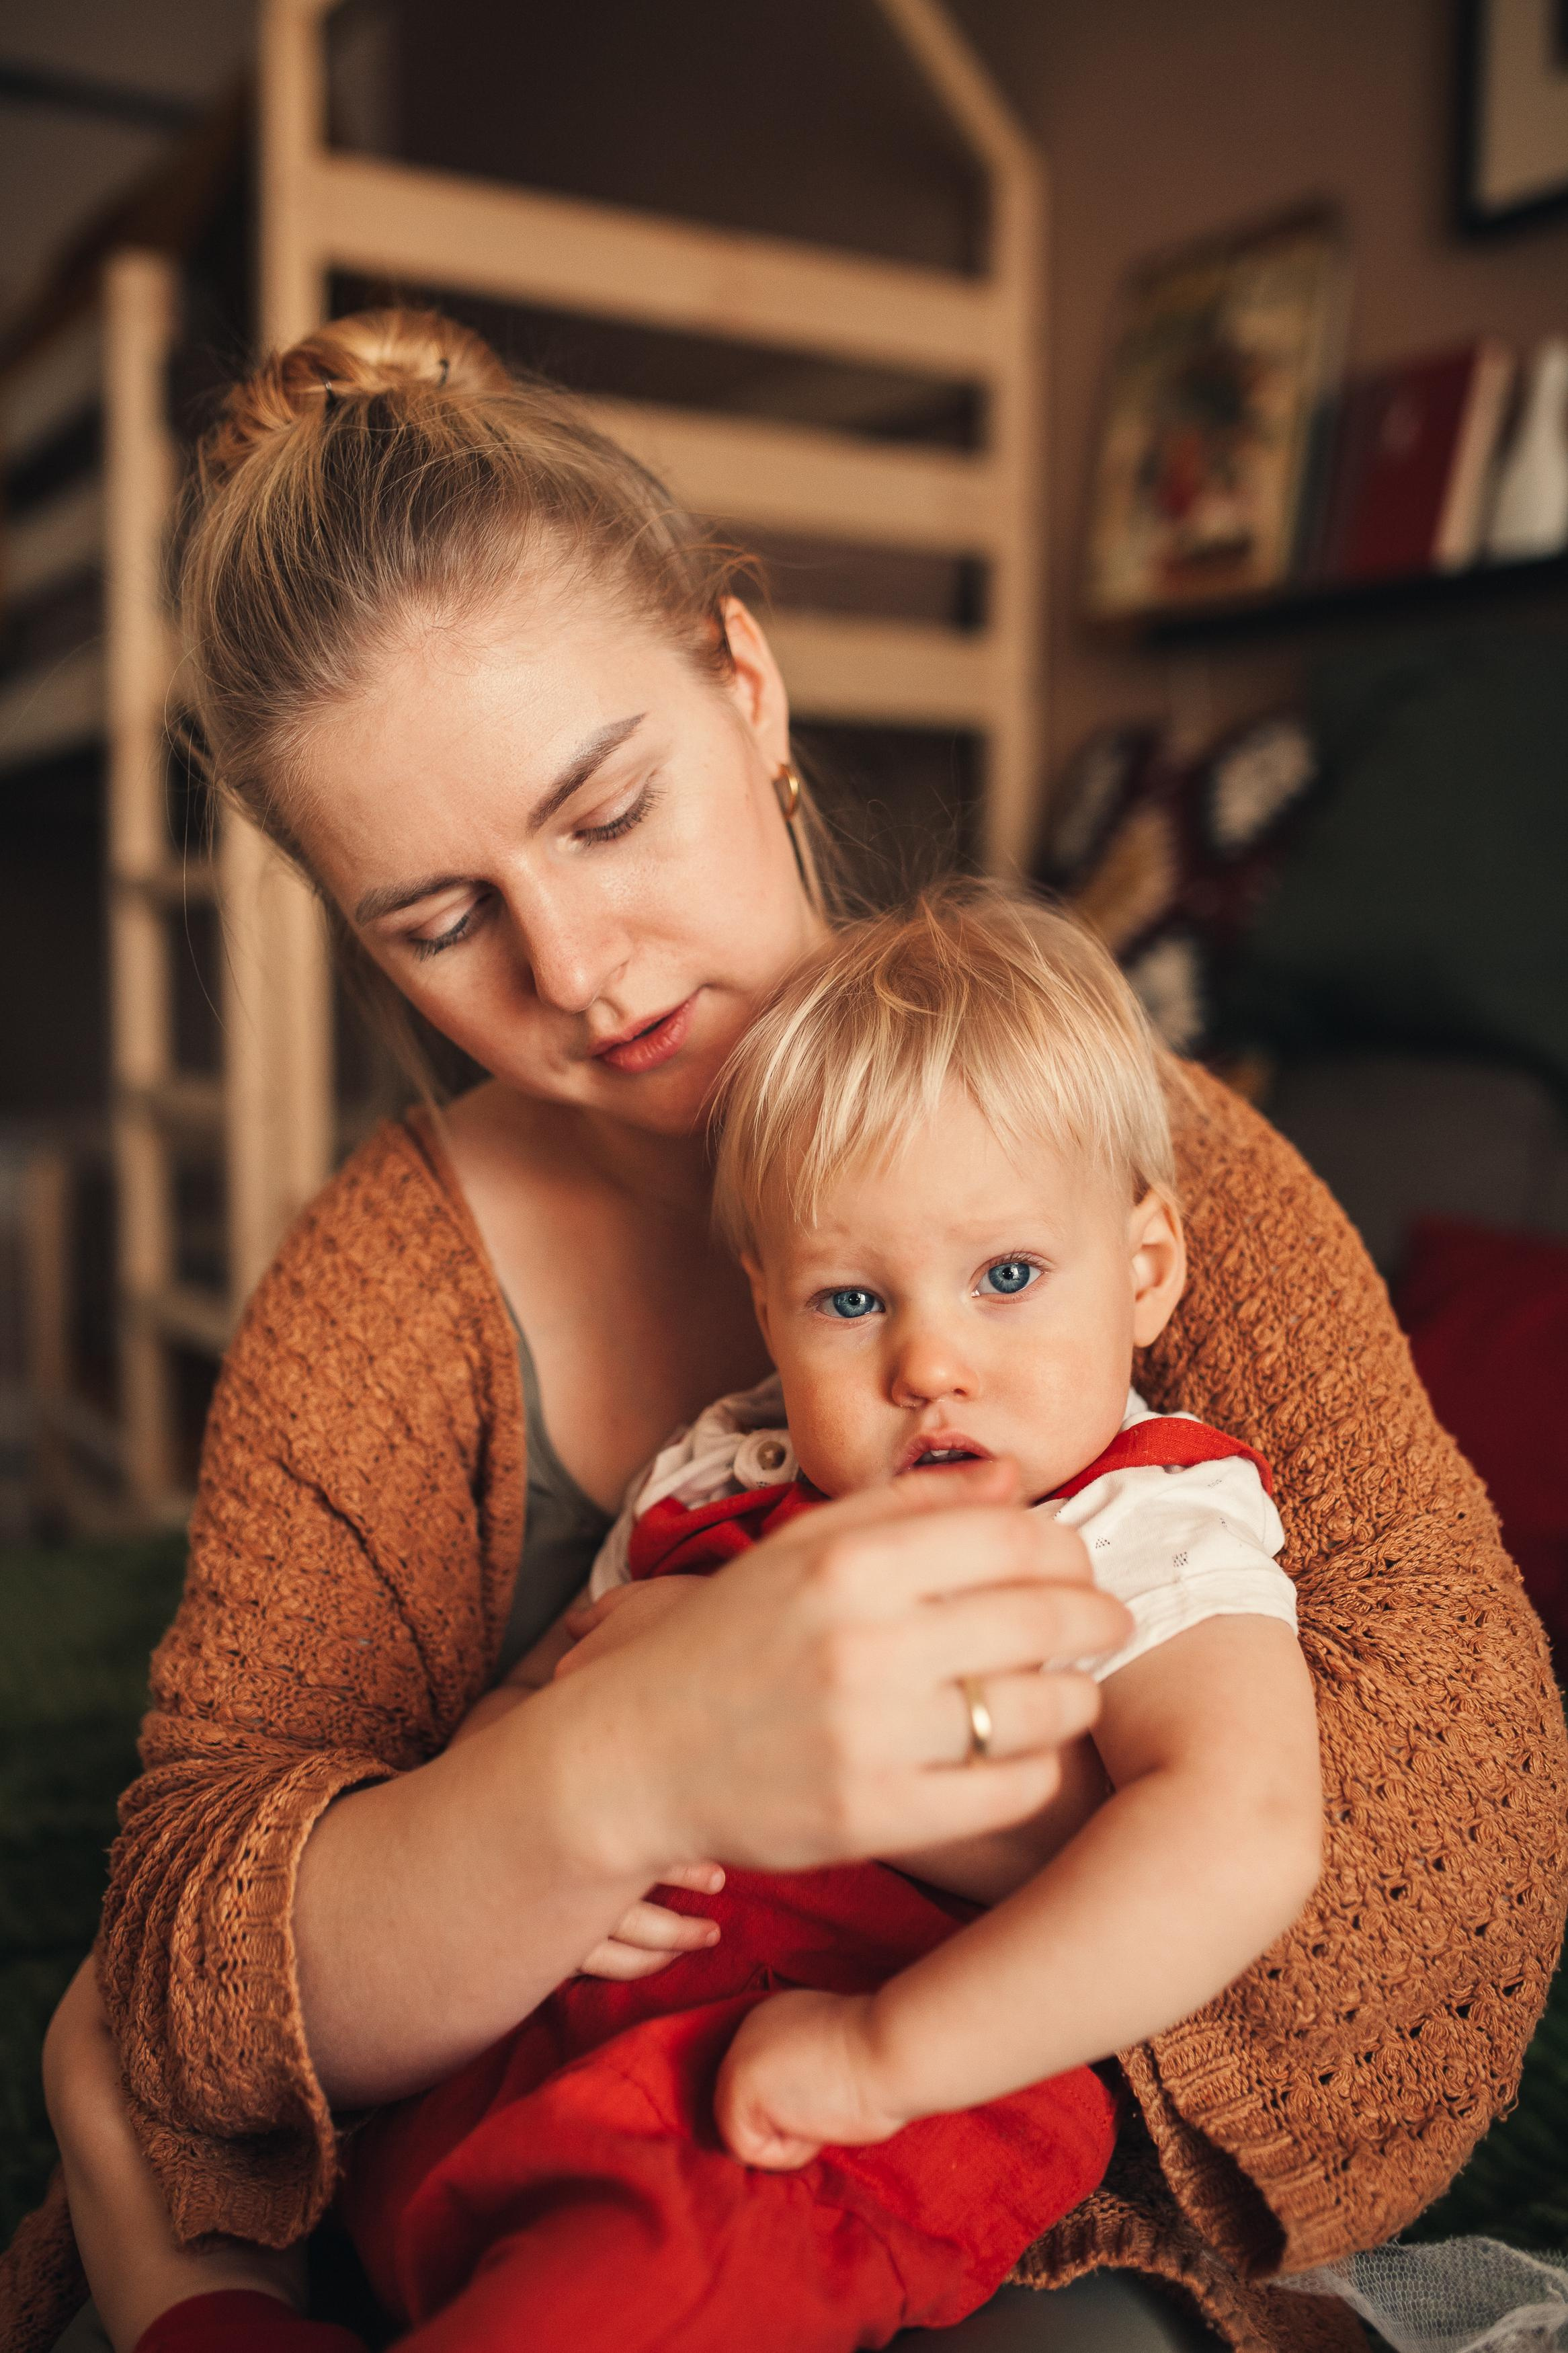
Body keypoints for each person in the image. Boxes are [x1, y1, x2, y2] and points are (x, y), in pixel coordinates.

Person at [5, 309, 1563, 2353]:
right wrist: (611, 1774)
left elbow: (1450, 1862)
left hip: (949, 2153)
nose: (580, 968)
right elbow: (191, 1969)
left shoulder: (1124, 1144)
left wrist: (876, 1784)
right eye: (443, 921)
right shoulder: (383, 1294)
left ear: (744, 688)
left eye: (605, 813)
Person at [313, 885, 1322, 2353]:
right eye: (850, 1300)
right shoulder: (721, 1469)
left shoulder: (1132, 1518)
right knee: (264, 2168)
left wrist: (877, 2056)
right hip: (536, 2060)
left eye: (1007, 1277)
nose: (928, 1362)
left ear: (1145, 1268)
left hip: (814, 2114)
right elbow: (539, 1693)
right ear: (766, 1304)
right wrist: (531, 1825)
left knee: (606, 2300)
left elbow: (1241, 1824)